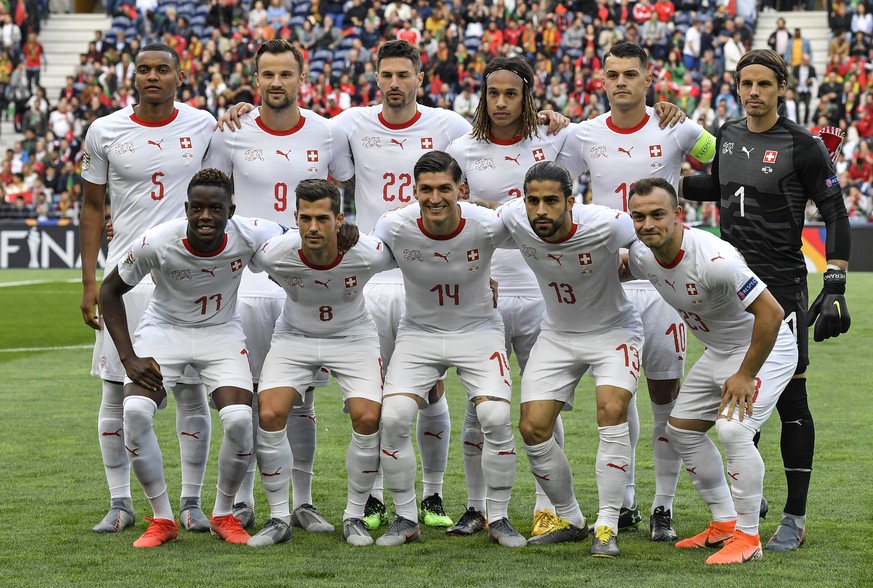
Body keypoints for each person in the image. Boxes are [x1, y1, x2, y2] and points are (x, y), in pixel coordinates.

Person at [681, 49, 852, 551]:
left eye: (763, 84)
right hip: (732, 290)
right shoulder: (727, 134)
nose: (753, 92)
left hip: (783, 290)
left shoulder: (803, 145)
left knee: (791, 400)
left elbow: (836, 214)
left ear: (782, 88)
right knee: (739, 402)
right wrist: (663, 176)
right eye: (745, 83)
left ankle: (793, 519)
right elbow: (715, 187)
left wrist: (836, 280)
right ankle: (744, 514)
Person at [557, 41, 717, 542]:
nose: (621, 81)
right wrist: (549, 121)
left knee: (665, 396)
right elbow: (550, 185)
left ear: (649, 79)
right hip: (608, 282)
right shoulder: (584, 136)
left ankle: (662, 506)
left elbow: (725, 158)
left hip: (663, 282)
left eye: (631, 74)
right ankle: (622, 503)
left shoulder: (675, 126)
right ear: (601, 81)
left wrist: (691, 121)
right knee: (616, 396)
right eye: (612, 74)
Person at [204, 38, 355, 532]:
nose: (275, 83)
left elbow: (344, 197)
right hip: (246, 284)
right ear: (255, 80)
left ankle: (304, 500)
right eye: (266, 75)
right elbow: (208, 198)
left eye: (284, 75)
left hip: (305, 284)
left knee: (303, 396)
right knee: (248, 397)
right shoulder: (231, 132)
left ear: (301, 78)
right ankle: (245, 499)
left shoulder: (327, 132)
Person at [98, 169, 286, 547]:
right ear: (185, 208)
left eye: (215, 208)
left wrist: (344, 234)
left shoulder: (251, 232)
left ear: (230, 210)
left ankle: (222, 514)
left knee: (237, 420)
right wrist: (128, 357)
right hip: (164, 331)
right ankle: (163, 519)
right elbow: (109, 292)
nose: (205, 216)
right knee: (133, 412)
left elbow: (297, 235)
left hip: (221, 333)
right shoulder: (158, 241)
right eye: (197, 208)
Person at [80, 43, 216, 535]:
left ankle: (192, 502)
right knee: (116, 393)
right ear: (132, 75)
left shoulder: (203, 125)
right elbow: (93, 207)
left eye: (163, 69)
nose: (152, 76)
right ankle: (120, 503)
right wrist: (90, 279)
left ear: (180, 76)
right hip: (126, 281)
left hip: (187, 278)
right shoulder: (105, 130)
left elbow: (224, 185)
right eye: (144, 69)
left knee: (191, 393)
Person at [626, 177, 797, 564]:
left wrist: (745, 375)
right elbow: (619, 270)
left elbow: (771, 314)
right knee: (681, 431)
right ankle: (723, 522)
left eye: (657, 214)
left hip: (765, 347)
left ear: (679, 215)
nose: (647, 224)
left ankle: (749, 537)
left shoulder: (714, 261)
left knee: (734, 429)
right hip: (721, 350)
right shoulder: (641, 255)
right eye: (638, 217)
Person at [372, 150, 524, 548]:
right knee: (393, 418)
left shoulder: (488, 225)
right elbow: (359, 263)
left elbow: (538, 226)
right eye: (426, 189)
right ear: (414, 190)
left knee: (493, 415)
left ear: (462, 190)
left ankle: (499, 517)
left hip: (478, 330)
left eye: (445, 189)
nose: (435, 198)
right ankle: (405, 517)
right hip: (419, 332)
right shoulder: (393, 225)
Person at [496, 161, 642, 556]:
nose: (541, 210)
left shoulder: (607, 224)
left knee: (611, 411)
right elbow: (475, 218)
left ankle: (607, 526)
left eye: (551, 201)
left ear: (570, 202)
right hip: (557, 335)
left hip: (614, 331)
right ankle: (571, 518)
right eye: (533, 201)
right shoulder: (515, 218)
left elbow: (655, 233)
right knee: (532, 427)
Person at [245, 179, 394, 547]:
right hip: (294, 336)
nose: (313, 227)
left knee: (368, 417)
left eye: (323, 219)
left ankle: (354, 516)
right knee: (269, 413)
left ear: (339, 219)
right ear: (294, 218)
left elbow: (416, 252)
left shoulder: (369, 252)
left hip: (353, 337)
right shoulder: (274, 253)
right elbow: (234, 247)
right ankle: (279, 516)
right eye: (305, 218)